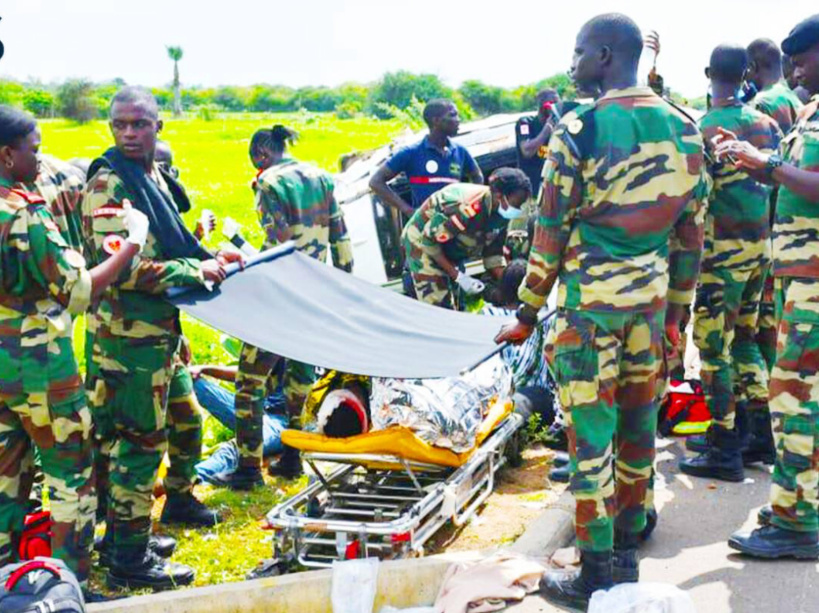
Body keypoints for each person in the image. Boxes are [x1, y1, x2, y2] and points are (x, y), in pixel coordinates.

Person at [496, 13, 707, 609]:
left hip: (590, 314)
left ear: (606, 56)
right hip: (651, 310)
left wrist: (527, 314)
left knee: (592, 440)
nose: (573, 63)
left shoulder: (580, 129)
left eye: (580, 51)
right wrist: (676, 320)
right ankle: (631, 534)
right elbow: (691, 237)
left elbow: (549, 229)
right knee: (640, 428)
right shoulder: (685, 129)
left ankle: (595, 571)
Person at [82, 86, 238, 589]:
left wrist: (211, 256)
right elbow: (124, 270)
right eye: (120, 125)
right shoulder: (108, 185)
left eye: (139, 124)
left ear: (157, 127)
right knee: (137, 444)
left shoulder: (156, 178)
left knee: (186, 421)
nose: (129, 133)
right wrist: (200, 268)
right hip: (127, 341)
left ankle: (178, 502)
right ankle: (127, 553)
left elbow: (177, 243)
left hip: (161, 333)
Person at [0, 106, 148, 593]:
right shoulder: (23, 214)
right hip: (39, 366)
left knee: (5, 476)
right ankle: (70, 584)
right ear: (7, 156)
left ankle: (7, 583)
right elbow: (80, 289)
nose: (38, 161)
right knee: (70, 476)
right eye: (33, 150)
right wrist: (132, 244)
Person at [716, 14, 819, 561]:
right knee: (803, 399)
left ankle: (797, 524)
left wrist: (769, 163)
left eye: (803, 58)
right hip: (797, 278)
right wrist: (752, 162)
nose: (795, 70)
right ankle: (799, 501)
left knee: (795, 401)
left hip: (812, 286)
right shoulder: (810, 111)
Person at [207, 124, 354, 489]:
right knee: (300, 378)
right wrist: (342, 286)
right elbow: (341, 236)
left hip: (283, 296)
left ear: (261, 153)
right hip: (317, 292)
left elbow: (278, 245)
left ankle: (248, 470)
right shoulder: (321, 177)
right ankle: (291, 458)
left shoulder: (269, 183)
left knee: (249, 381)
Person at [679, 45, 782, 482]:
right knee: (745, 341)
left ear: (708, 73)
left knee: (713, 350)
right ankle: (759, 433)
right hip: (760, 250)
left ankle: (724, 445)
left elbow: (692, 199)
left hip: (720, 258)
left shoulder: (701, 129)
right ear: (745, 74)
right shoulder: (768, 124)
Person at [402, 168, 531, 310]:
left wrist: (510, 285)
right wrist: (458, 276)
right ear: (499, 196)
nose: (518, 208)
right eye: (517, 204)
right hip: (422, 246)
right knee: (441, 310)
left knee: (458, 306)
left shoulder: (502, 212)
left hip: (450, 250)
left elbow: (493, 254)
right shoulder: (466, 208)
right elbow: (429, 242)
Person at [369, 99, 483, 216]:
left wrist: (469, 204)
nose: (458, 120)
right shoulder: (411, 152)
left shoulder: (460, 151)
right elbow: (375, 182)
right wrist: (408, 210)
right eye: (452, 115)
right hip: (426, 227)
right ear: (436, 120)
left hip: (457, 224)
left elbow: (477, 176)